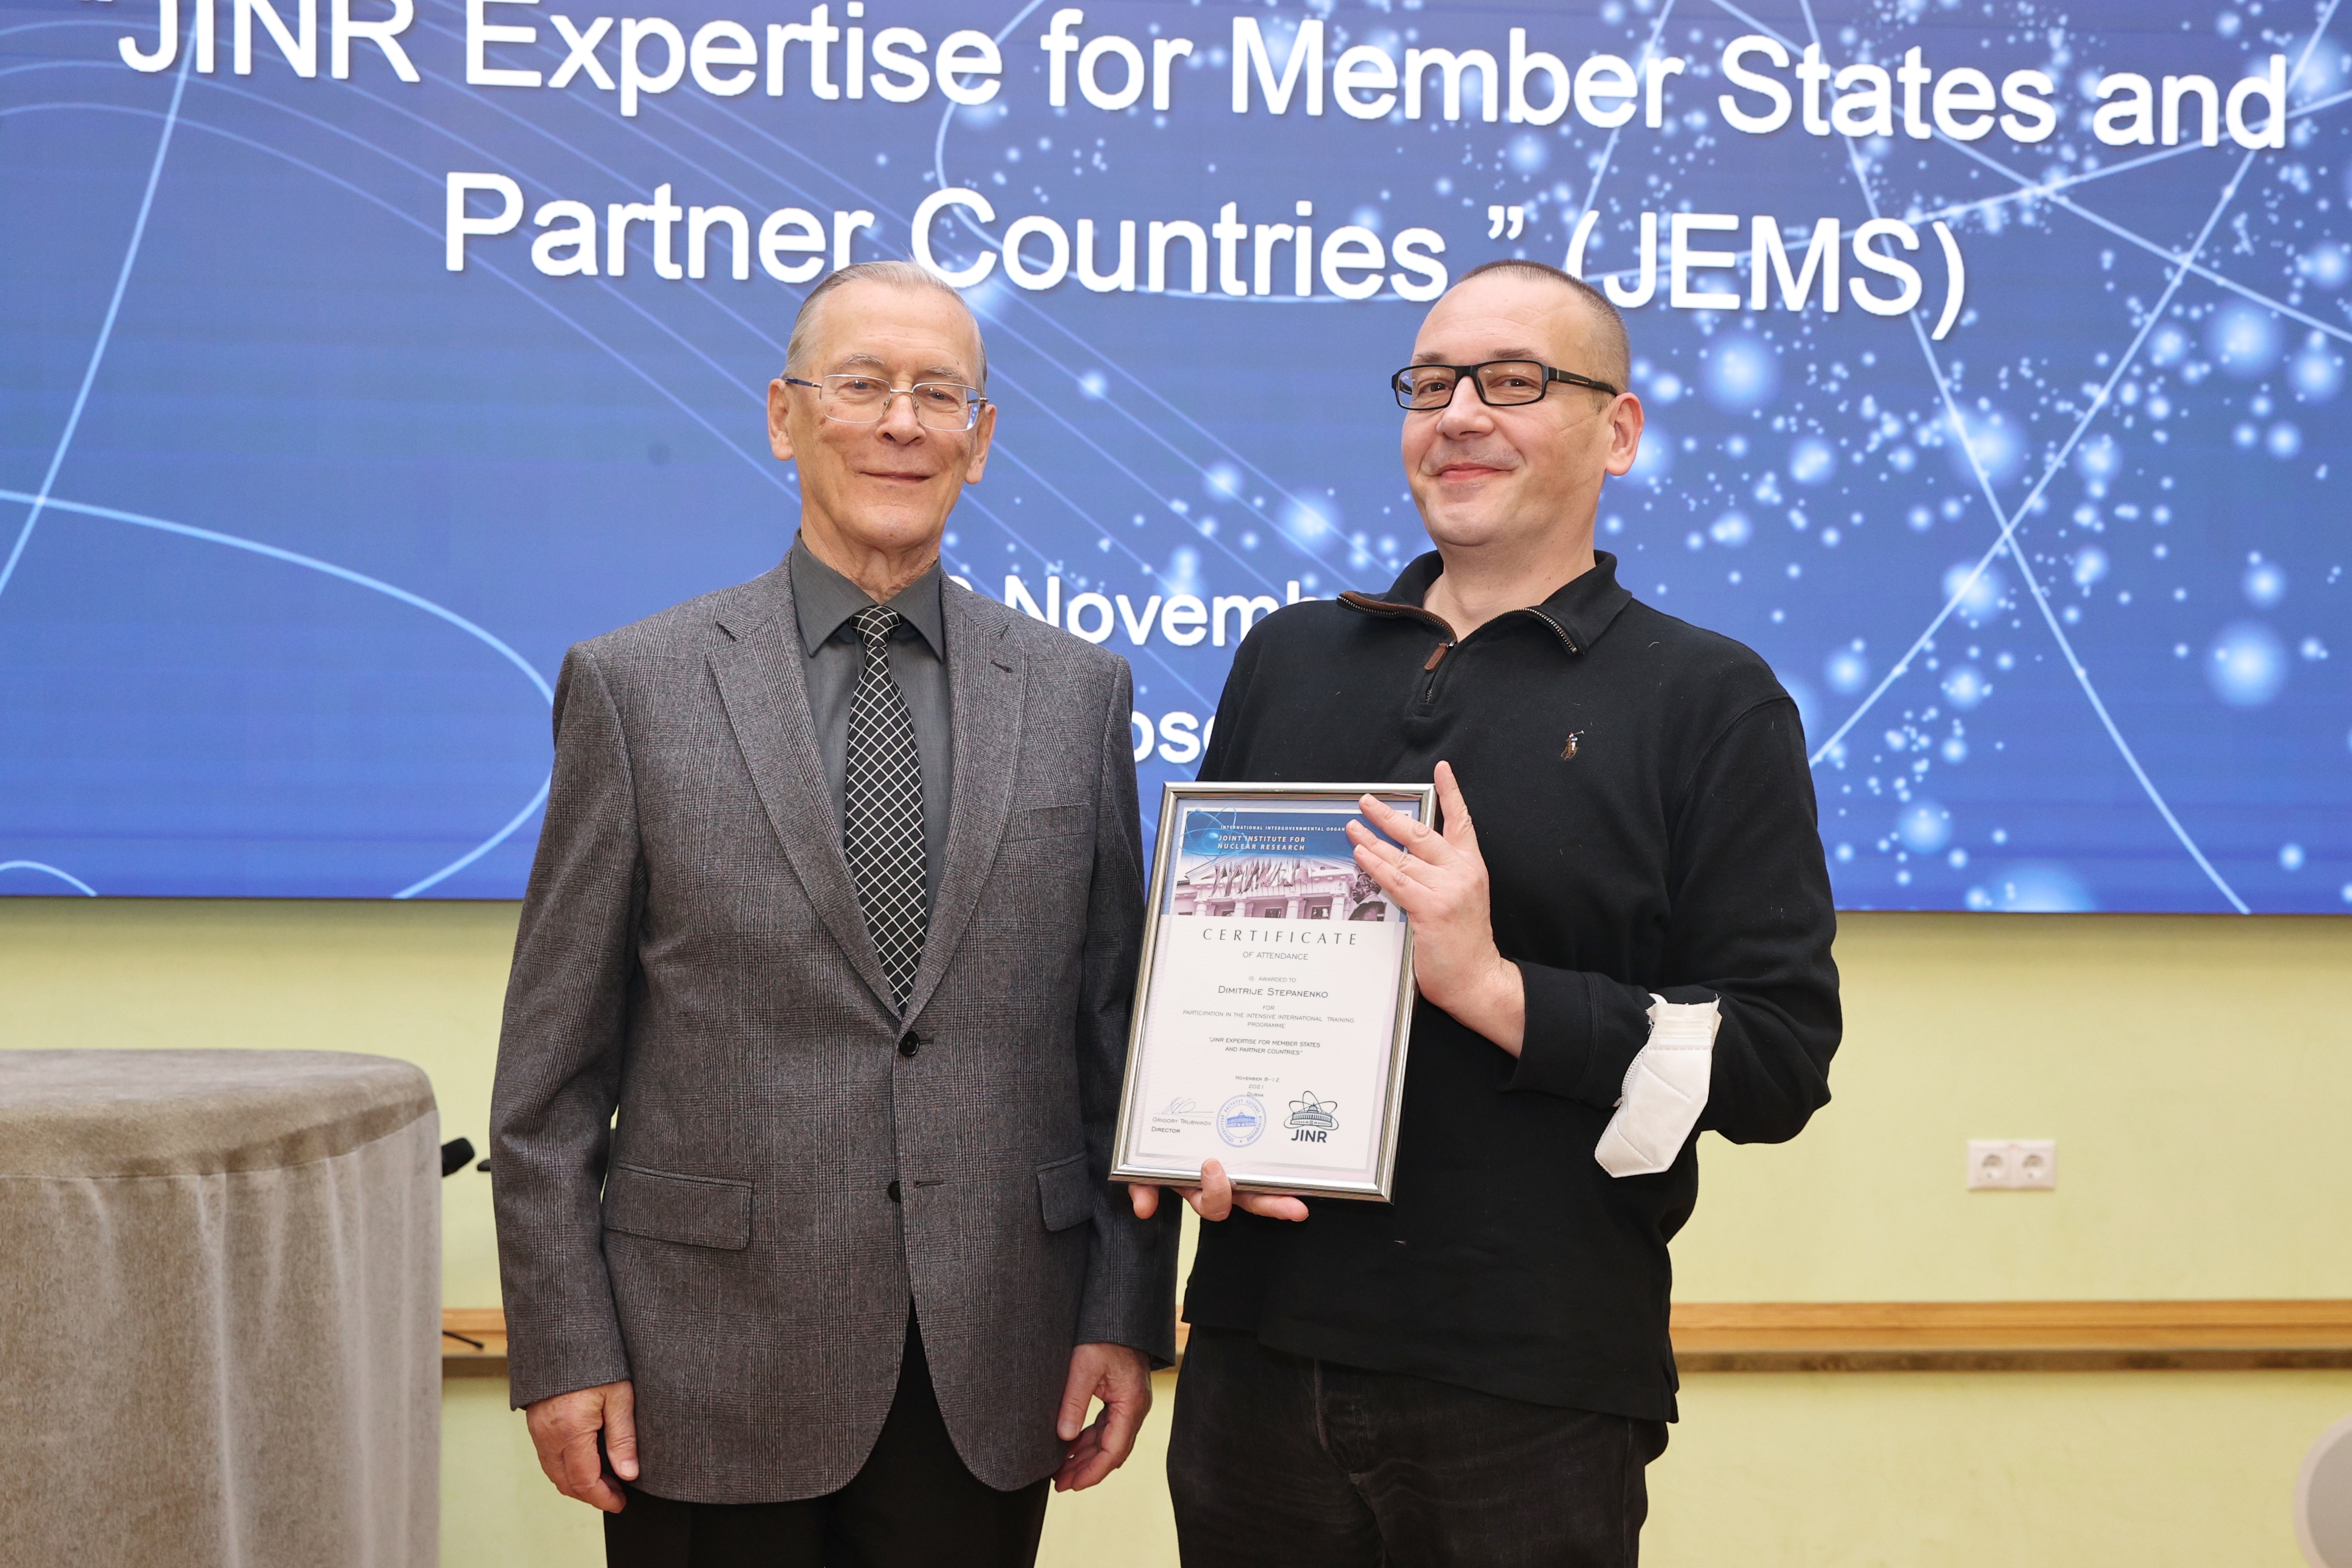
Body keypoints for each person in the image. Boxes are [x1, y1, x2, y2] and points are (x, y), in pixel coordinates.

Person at [1132, 260, 1842, 1567]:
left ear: (1618, 431)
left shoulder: (1709, 700)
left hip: (1530, 1388)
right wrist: (1179, 1122)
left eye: (1514, 382)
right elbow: (1193, 974)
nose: (1459, 414)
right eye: (1431, 384)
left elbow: (1776, 1064)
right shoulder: (1288, 659)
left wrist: (1492, 987)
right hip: (1253, 1356)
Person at [492, 259, 1176, 1568]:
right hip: (703, 1362)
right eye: (861, 384)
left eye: (939, 394)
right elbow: (551, 1077)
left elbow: (1114, 1044)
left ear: (981, 439)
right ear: (784, 415)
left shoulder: (1078, 694)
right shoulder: (636, 687)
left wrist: (1124, 1311)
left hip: (994, 1358)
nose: (901, 423)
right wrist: (565, 1345)